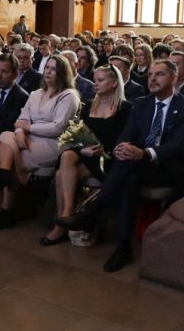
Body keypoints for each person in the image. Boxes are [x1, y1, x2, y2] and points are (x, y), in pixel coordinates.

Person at [55, 59, 184, 272]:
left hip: (167, 168)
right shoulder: (141, 104)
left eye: (159, 74)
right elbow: (126, 133)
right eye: (150, 75)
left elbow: (178, 145)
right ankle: (122, 245)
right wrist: (122, 147)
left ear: (174, 78)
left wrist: (145, 153)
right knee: (128, 177)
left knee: (127, 169)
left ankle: (92, 215)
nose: (152, 79)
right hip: (137, 164)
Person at [0, 54, 82, 230]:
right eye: (47, 68)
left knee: (12, 157)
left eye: (54, 69)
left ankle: (6, 208)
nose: (48, 72)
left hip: (54, 143)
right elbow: (21, 119)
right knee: (6, 135)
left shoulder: (69, 96)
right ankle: (4, 175)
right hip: (28, 138)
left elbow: (57, 127)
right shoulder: (36, 93)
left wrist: (28, 128)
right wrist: (19, 132)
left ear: (63, 73)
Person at [42, 65, 131, 245]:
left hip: (109, 159)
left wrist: (99, 150)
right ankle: (67, 212)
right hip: (85, 154)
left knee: (60, 175)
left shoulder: (125, 108)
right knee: (67, 155)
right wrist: (83, 150)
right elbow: (76, 135)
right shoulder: (89, 105)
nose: (95, 84)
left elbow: (125, 139)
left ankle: (60, 225)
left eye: (100, 80)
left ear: (114, 83)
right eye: (95, 80)